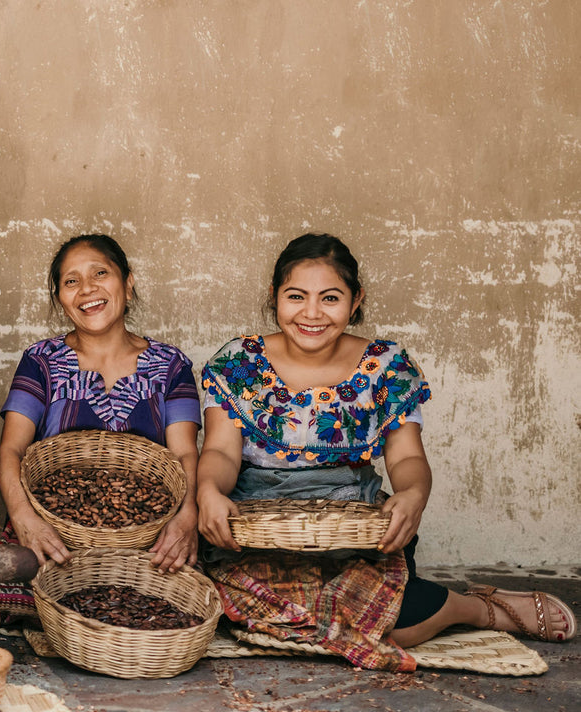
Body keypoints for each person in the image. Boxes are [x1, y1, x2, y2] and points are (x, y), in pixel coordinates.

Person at [196, 233, 575, 671]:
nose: (312, 313)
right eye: (296, 296)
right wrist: (209, 491)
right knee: (234, 608)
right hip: (257, 532)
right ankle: (445, 607)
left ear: (356, 300)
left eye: (330, 297)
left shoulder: (387, 366)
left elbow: (406, 458)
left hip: (354, 527)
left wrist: (412, 496)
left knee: (390, 618)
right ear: (274, 297)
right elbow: (222, 451)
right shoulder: (238, 363)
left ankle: (472, 608)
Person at [0, 235, 201, 618]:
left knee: (166, 607)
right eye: (71, 281)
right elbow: (11, 451)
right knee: (25, 602)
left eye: (100, 273)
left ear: (128, 282)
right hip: (56, 535)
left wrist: (187, 519)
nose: (87, 289)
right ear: (60, 297)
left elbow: (185, 452)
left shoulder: (171, 365)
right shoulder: (41, 362)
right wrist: (25, 519)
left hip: (144, 542)